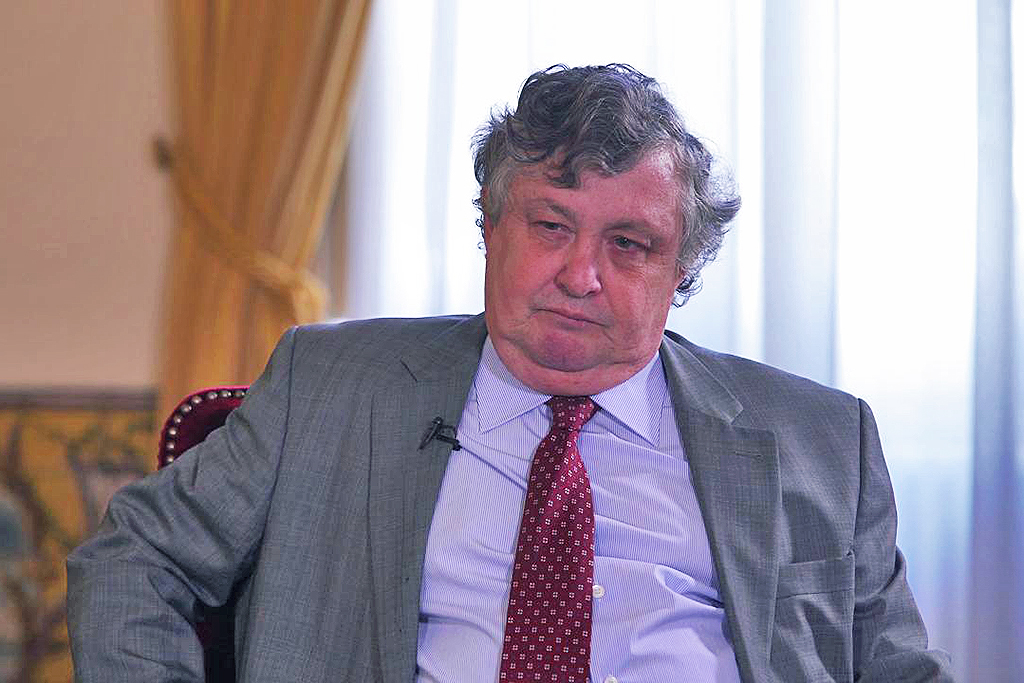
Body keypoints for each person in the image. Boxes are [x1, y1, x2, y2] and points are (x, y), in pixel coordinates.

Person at [67, 64, 953, 682]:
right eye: (551, 226)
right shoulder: (328, 386)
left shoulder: (819, 439)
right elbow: (133, 558)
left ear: (682, 271)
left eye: (630, 244)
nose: (581, 275)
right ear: (490, 228)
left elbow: (895, 668)